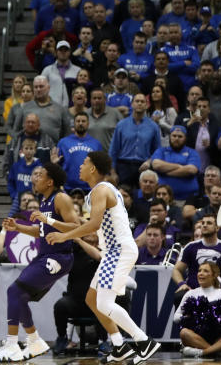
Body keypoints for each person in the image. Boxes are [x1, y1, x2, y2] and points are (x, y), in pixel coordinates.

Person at [45, 151, 161, 364]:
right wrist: (55, 222)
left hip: (118, 251)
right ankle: (119, 346)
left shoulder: (101, 190)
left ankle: (143, 341)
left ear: (92, 168)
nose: (80, 166)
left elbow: (94, 225)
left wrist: (65, 236)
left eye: (84, 163)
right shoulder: (99, 192)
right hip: (114, 251)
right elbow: (91, 224)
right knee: (92, 299)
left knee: (105, 304)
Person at [0, 163, 78, 361]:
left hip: (59, 256)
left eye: (40, 175)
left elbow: (76, 226)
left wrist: (49, 222)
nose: (35, 178)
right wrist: (17, 227)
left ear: (50, 181)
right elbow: (40, 231)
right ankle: (34, 340)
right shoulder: (44, 200)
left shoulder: (61, 198)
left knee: (14, 290)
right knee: (19, 296)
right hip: (45, 255)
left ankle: (12, 344)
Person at [174, 261, 221, 357]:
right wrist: (191, 317)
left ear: (214, 275)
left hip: (220, 337)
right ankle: (219, 352)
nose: (201, 273)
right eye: (199, 270)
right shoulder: (190, 294)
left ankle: (203, 352)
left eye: (205, 271)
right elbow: (176, 317)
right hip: (197, 337)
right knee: (184, 333)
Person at [171, 213, 221, 306]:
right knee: (179, 296)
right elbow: (176, 270)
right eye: (203, 223)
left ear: (217, 228)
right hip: (193, 291)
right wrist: (181, 284)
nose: (204, 225)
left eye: (209, 223)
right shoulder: (190, 247)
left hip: (218, 292)